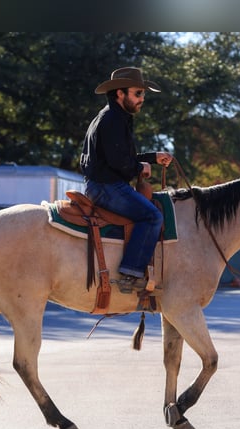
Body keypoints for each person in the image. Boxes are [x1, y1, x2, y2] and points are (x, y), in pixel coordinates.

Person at [79, 66, 173, 293]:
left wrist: (152, 158)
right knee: (152, 216)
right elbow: (120, 163)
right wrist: (140, 167)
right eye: (137, 93)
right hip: (106, 187)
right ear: (120, 93)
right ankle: (131, 274)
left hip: (103, 184)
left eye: (143, 94)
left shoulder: (114, 116)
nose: (142, 99)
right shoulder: (113, 119)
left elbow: (122, 157)